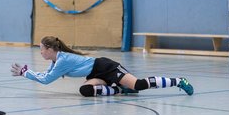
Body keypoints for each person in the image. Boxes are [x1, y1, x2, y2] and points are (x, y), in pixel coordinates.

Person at [11, 36, 194, 97]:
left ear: (50, 49)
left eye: (42, 49)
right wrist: (27, 72)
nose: (40, 52)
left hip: (106, 67)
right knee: (85, 90)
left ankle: (178, 81)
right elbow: (46, 74)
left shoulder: (62, 60)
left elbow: (46, 80)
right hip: (95, 73)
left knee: (138, 85)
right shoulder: (56, 60)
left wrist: (25, 72)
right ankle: (119, 90)